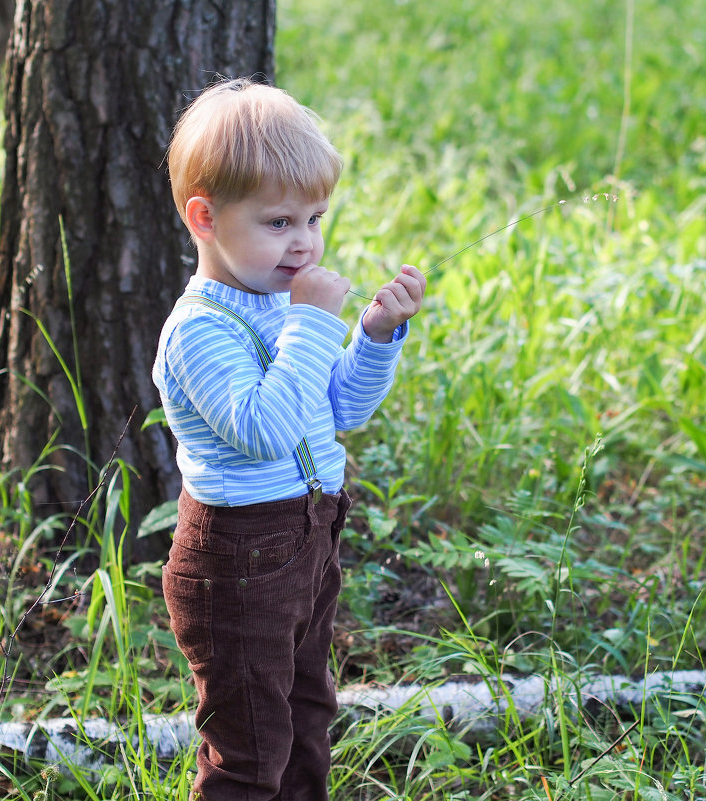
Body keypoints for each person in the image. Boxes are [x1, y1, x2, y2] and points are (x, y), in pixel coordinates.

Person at [152, 77, 425, 801]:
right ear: (205, 217)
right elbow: (266, 431)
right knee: (249, 744)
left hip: (305, 540)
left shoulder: (279, 303)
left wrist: (371, 337)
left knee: (307, 714)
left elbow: (337, 410)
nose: (304, 241)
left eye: (315, 217)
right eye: (278, 222)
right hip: (238, 557)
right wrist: (311, 322)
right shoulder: (199, 330)